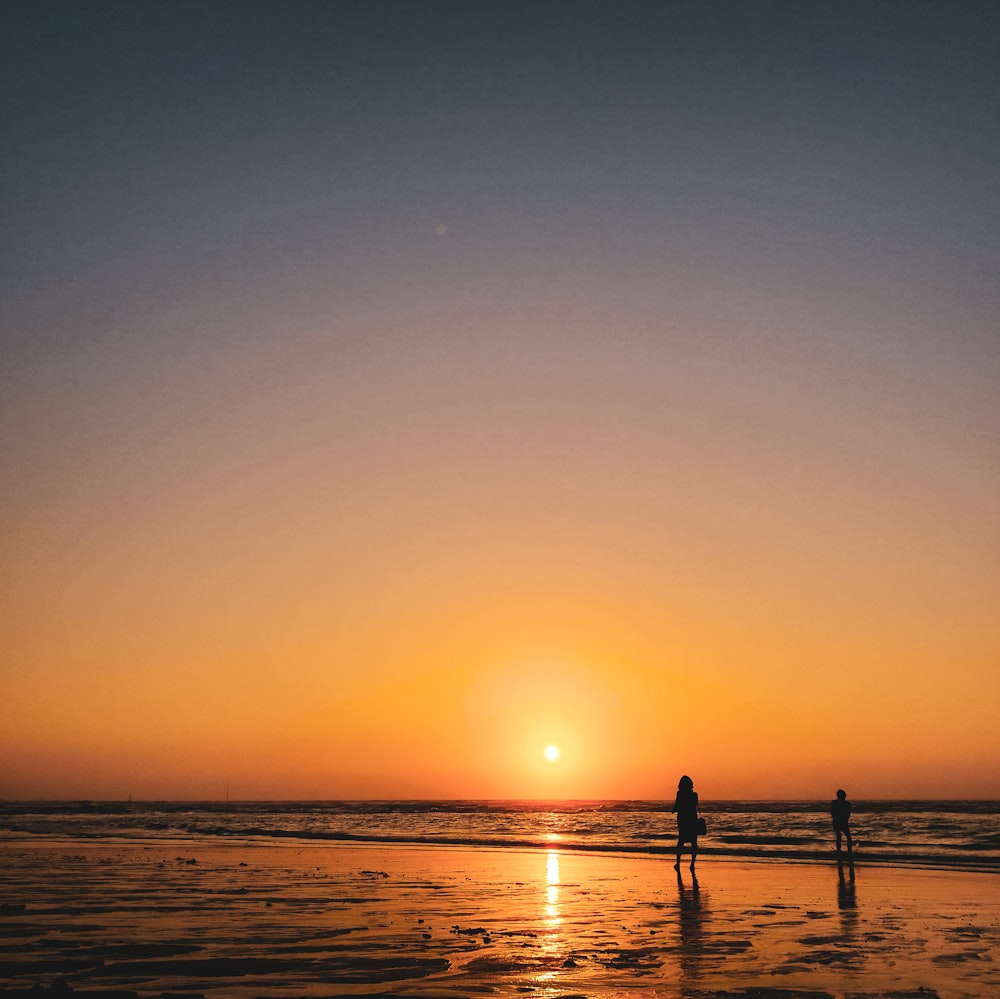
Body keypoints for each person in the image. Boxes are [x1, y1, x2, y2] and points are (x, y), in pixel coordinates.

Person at [670, 775, 701, 871]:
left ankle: (678, 863)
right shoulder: (694, 795)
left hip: (683, 820)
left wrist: (673, 810)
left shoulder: (680, 794)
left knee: (681, 842)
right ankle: (692, 864)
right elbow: (694, 805)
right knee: (694, 842)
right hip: (692, 819)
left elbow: (677, 805)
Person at [830, 788, 853, 856]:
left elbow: (832, 812)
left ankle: (844, 850)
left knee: (840, 836)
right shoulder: (845, 803)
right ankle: (846, 851)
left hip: (839, 821)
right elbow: (833, 812)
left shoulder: (835, 803)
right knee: (846, 837)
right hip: (840, 821)